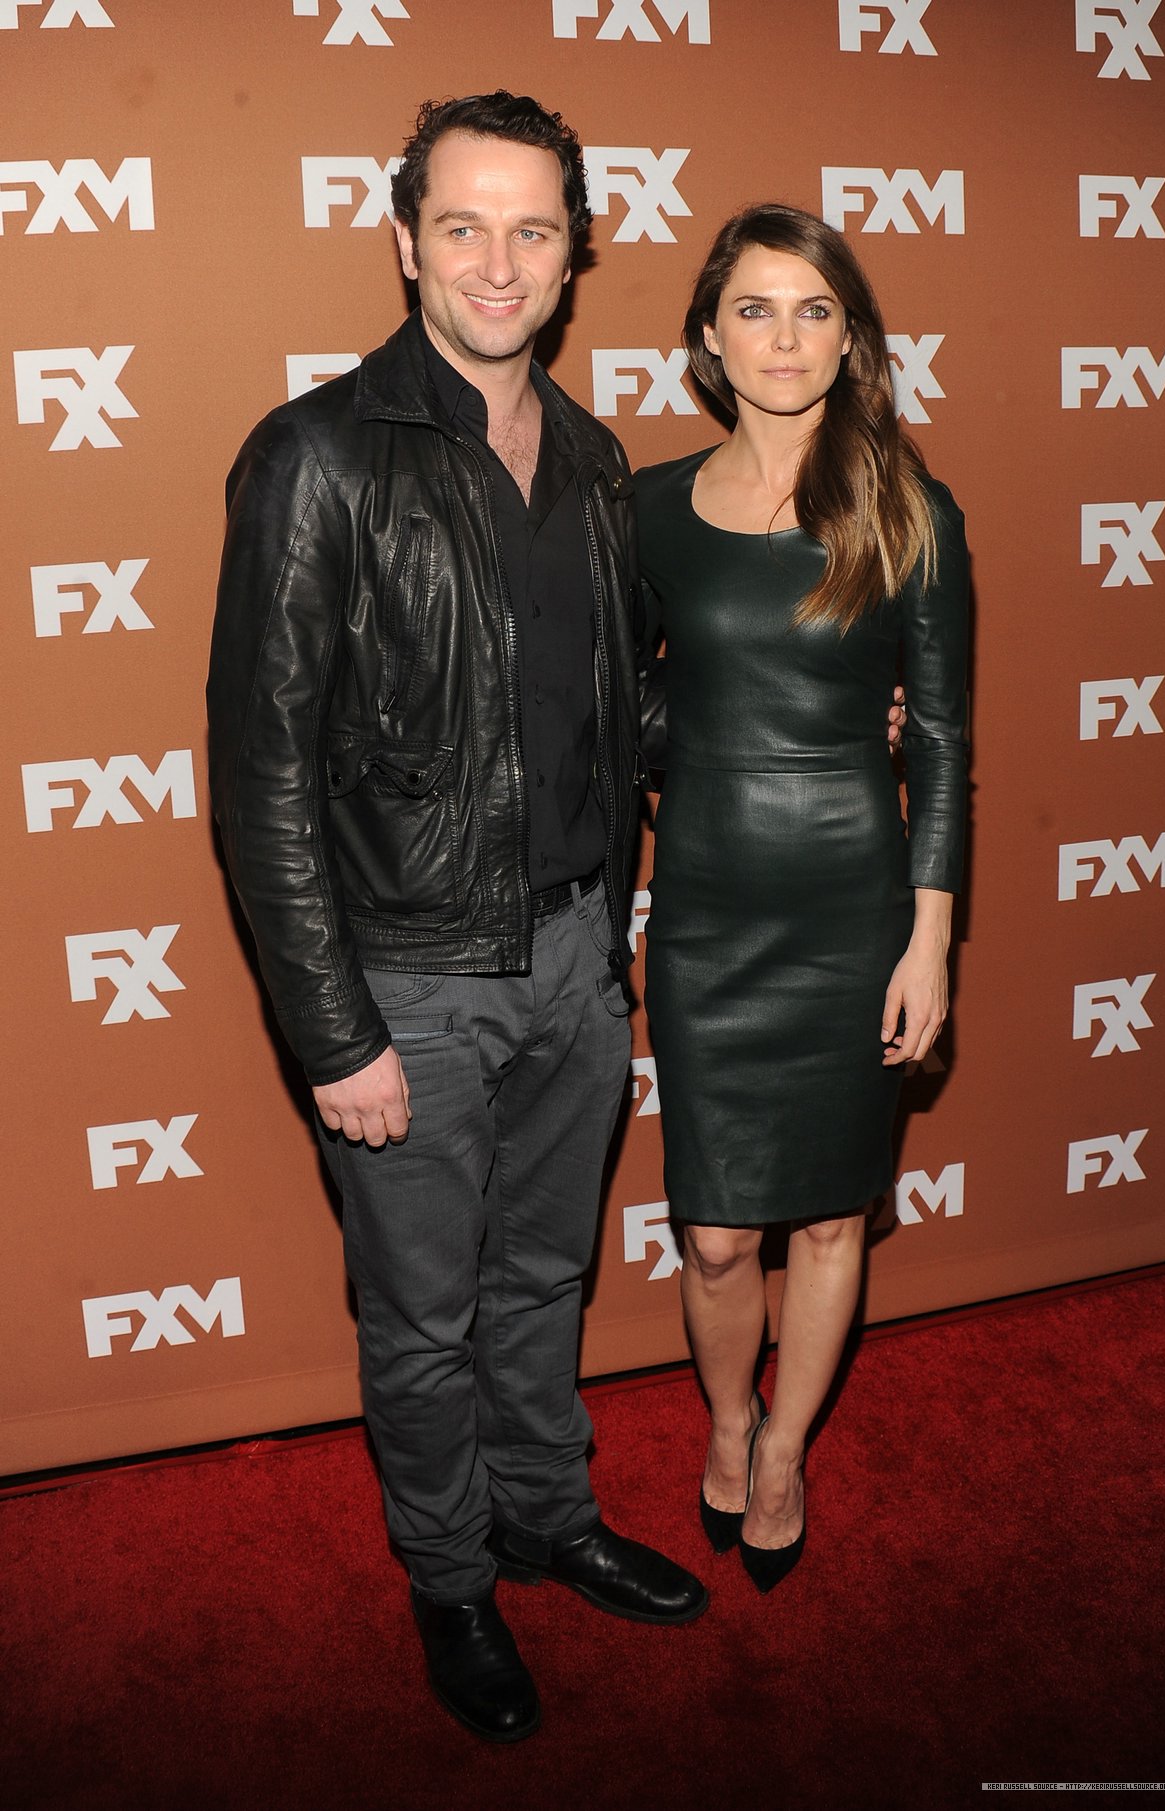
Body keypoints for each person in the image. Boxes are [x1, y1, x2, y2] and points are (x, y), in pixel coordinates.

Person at [206, 91, 711, 1746]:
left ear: (577, 256)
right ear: (405, 237)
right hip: (407, 979)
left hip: (577, 954)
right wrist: (332, 1029)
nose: (502, 261)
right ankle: (450, 1579)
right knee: (420, 1318)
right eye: (468, 224)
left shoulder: (591, 459)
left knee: (543, 1277)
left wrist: (772, 720)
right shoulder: (319, 453)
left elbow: (598, 718)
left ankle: (544, 1520)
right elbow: (264, 775)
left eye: (538, 229)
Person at [637, 205, 969, 1592]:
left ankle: (781, 1456)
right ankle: (724, 1416)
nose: (784, 337)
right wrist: (669, 736)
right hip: (708, 906)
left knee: (832, 1219)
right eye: (756, 309)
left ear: (852, 334)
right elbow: (612, 703)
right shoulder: (641, 506)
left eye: (814, 309)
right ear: (709, 337)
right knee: (715, 1235)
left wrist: (932, 935)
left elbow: (945, 737)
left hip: (853, 902)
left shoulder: (909, 505)